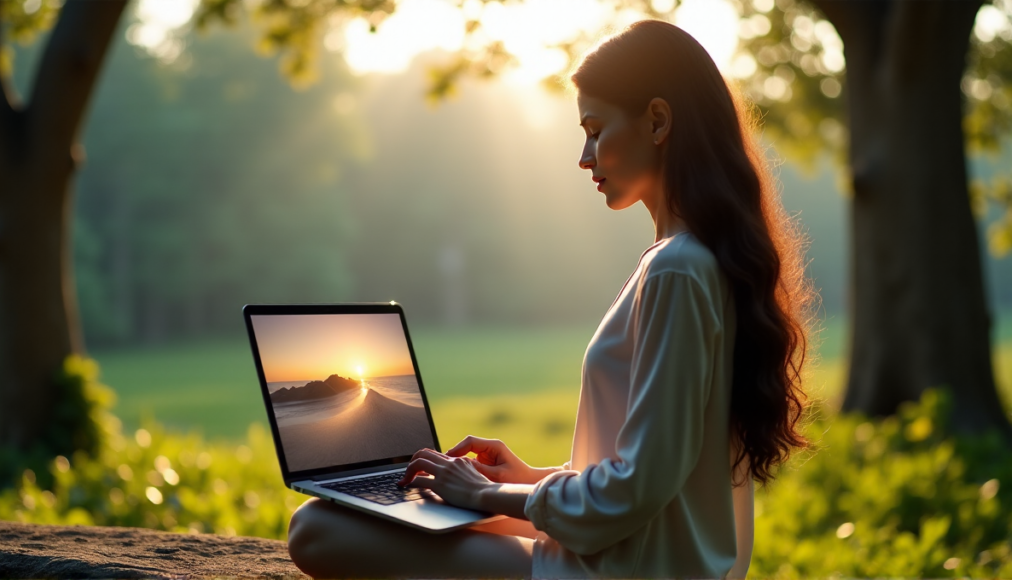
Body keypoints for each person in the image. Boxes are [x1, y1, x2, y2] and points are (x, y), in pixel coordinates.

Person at [287, 19, 812, 579]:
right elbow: (642, 469)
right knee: (379, 515)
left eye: (595, 129)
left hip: (615, 570)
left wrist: (487, 497)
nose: (584, 156)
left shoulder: (678, 269)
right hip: (627, 555)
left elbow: (636, 488)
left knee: (315, 527)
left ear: (658, 120)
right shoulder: (695, 261)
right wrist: (521, 479)